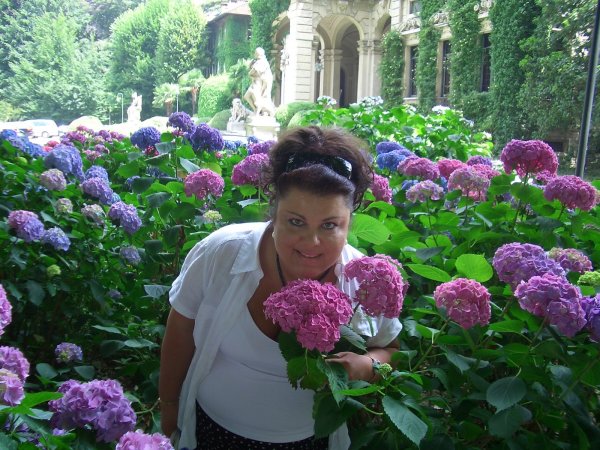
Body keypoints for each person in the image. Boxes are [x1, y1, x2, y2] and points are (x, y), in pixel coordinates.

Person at [159, 126, 402, 450]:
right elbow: (179, 330)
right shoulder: (222, 252)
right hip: (211, 433)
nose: (311, 242)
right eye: (296, 221)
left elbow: (391, 351)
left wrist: (367, 366)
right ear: (274, 212)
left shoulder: (365, 281)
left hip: (308, 443)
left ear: (349, 223)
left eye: (330, 225)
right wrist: (170, 407)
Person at [243, 47, 275, 116]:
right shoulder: (258, 61)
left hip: (261, 83)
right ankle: (256, 110)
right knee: (247, 96)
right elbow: (252, 72)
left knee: (261, 99)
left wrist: (264, 88)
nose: (254, 54)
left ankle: (266, 111)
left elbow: (254, 71)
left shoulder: (262, 62)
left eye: (255, 53)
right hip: (256, 82)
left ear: (258, 54)